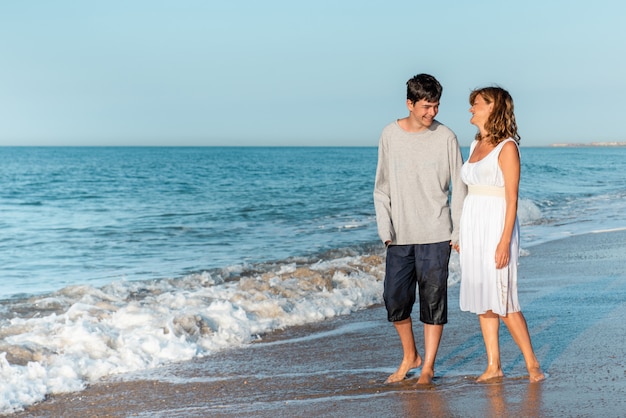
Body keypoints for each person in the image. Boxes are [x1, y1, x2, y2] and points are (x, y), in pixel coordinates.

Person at [374, 73, 466, 385]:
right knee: (395, 299)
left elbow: (460, 186)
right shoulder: (389, 134)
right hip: (399, 236)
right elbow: (381, 187)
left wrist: (458, 231)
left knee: (433, 301)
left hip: (437, 232)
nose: (432, 113)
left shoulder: (447, 137)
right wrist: (385, 230)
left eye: (436, 106)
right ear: (410, 104)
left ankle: (427, 367)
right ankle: (410, 355)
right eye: (426, 106)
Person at [458, 86, 545, 382]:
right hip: (473, 226)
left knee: (504, 299)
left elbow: (511, 199)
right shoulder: (473, 145)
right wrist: (460, 235)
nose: (471, 109)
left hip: (496, 227)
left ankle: (532, 364)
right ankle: (494, 365)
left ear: (493, 108)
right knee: (484, 298)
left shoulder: (507, 147)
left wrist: (505, 241)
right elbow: (468, 191)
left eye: (477, 104)